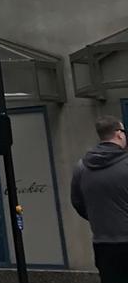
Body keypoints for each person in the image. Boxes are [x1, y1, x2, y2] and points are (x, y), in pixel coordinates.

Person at [71, 114, 128, 282]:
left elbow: (77, 203)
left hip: (102, 244)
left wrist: (100, 218)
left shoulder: (81, 167)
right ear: (118, 134)